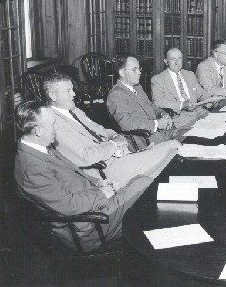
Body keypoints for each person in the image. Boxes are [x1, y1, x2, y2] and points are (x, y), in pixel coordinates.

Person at [14, 101, 158, 252]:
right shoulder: (31, 169)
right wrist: (101, 194)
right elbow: (68, 206)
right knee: (146, 187)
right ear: (38, 131)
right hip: (90, 225)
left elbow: (72, 172)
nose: (56, 128)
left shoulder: (41, 147)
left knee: (142, 181)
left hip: (93, 205)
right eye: (52, 124)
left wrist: (99, 183)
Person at [43, 71, 179, 187]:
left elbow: (100, 129)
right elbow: (85, 157)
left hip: (118, 157)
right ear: (53, 96)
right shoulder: (54, 123)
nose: (73, 94)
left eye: (72, 89)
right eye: (68, 91)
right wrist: (113, 145)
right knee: (172, 149)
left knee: (171, 150)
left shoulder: (74, 110)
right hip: (105, 170)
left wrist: (116, 137)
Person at [107, 54, 177, 149]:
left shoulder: (137, 87)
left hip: (163, 133)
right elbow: (126, 122)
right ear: (122, 73)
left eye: (139, 69)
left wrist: (162, 114)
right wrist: (156, 124)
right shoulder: (116, 94)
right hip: (145, 140)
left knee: (192, 135)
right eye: (134, 70)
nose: (139, 72)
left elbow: (151, 106)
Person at [151, 48, 213, 129]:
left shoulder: (190, 75)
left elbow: (201, 93)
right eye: (173, 59)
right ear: (166, 61)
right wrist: (182, 105)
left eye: (179, 58)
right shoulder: (158, 79)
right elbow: (158, 101)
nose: (177, 62)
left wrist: (209, 100)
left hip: (199, 112)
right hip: (180, 119)